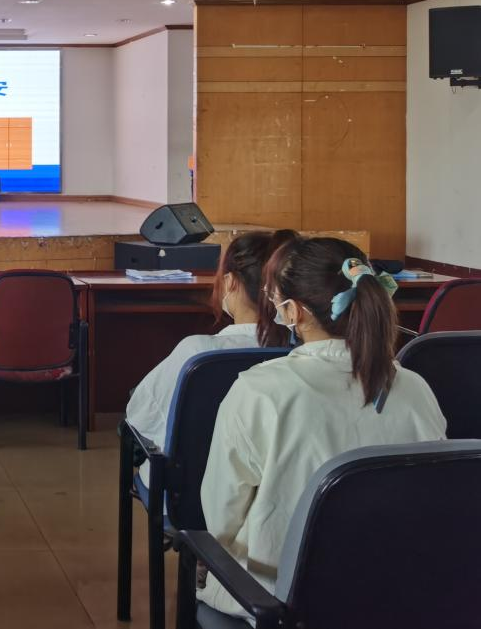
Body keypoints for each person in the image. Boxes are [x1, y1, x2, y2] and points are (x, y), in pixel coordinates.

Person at [197, 236, 446, 619]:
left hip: (282, 600)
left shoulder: (259, 389)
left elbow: (221, 516)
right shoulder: (415, 388)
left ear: (293, 311)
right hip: (401, 593)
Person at [124, 230, 295, 456]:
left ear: (230, 282)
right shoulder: (301, 352)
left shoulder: (199, 352)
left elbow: (140, 416)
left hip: (191, 475)